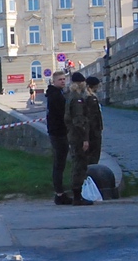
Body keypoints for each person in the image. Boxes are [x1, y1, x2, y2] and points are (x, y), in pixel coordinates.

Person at [64, 72, 93, 205]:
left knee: (78, 163)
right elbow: (79, 120)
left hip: (73, 135)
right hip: (78, 136)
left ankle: (77, 194)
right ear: (80, 83)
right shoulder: (77, 99)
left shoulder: (70, 96)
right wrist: (85, 139)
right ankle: (77, 196)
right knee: (80, 165)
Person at [45, 71, 72, 205]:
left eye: (64, 79)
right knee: (59, 164)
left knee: (60, 163)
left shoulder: (57, 93)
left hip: (58, 131)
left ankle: (60, 192)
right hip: (58, 132)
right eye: (60, 79)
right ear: (54, 81)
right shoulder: (55, 96)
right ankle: (59, 194)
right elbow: (62, 114)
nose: (63, 81)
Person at [85, 76, 104, 165]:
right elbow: (92, 116)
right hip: (94, 131)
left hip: (94, 130)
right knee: (94, 153)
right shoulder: (91, 98)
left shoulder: (91, 97)